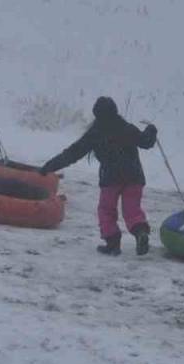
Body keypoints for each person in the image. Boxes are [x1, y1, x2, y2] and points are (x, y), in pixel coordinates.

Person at [39, 97, 158, 256]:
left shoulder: (95, 133)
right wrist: (151, 130)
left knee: (106, 210)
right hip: (134, 177)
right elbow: (146, 142)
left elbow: (73, 153)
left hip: (111, 178)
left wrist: (49, 166)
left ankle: (113, 244)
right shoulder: (127, 128)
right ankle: (141, 233)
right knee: (133, 210)